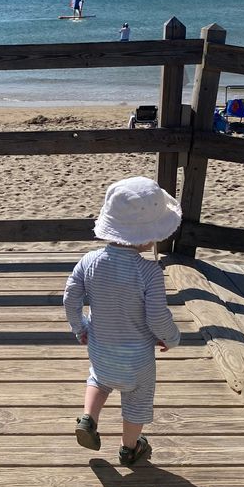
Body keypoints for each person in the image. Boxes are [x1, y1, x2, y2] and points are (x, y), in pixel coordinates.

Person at [63, 177, 182, 466]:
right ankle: (129, 448)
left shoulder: (88, 261)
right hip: (137, 359)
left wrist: (79, 327)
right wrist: (172, 337)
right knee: (136, 400)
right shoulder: (150, 273)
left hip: (100, 347)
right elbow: (157, 316)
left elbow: (70, 298)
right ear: (148, 236)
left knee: (98, 379)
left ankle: (88, 419)